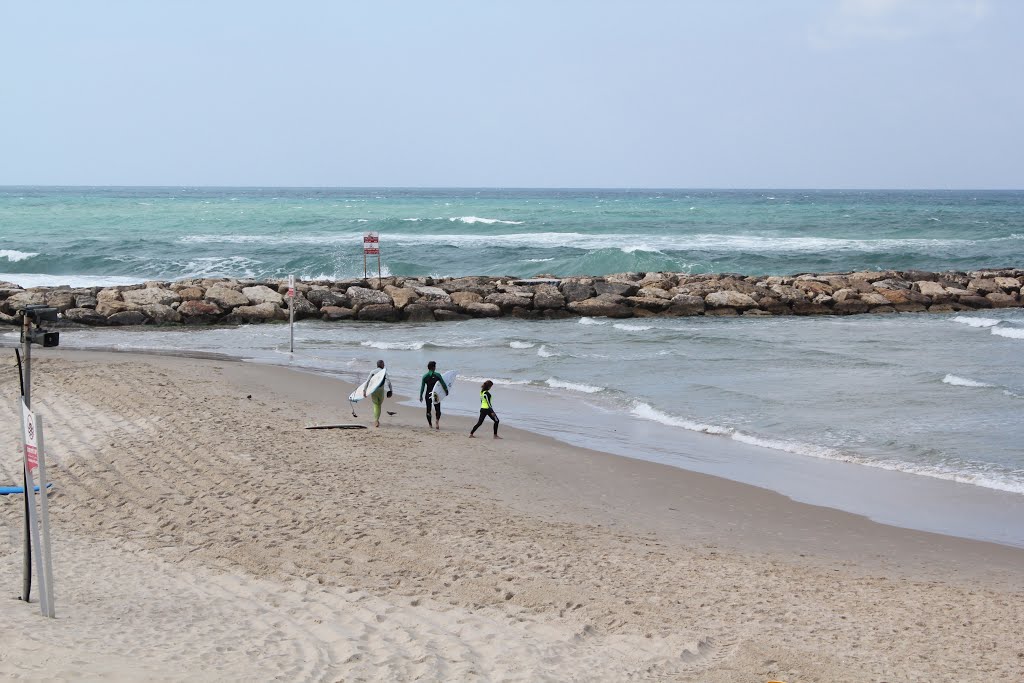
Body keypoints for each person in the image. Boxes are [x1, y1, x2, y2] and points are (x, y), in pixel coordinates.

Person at [418, 361, 449, 431]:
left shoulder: (425, 376)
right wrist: (446, 391)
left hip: (428, 394)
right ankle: (437, 421)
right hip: (435, 395)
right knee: (438, 409)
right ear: (433, 367)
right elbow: (443, 384)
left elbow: (422, 387)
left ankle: (430, 424)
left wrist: (420, 396)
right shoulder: (437, 375)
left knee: (428, 410)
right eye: (435, 366)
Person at [363, 359, 393, 428]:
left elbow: (367, 381)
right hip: (381, 391)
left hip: (374, 390)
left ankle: (376, 420)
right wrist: (391, 391)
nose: (384, 365)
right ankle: (377, 420)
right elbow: (389, 382)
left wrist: (364, 390)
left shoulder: (372, 372)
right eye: (383, 364)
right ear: (382, 365)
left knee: (376, 404)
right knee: (379, 405)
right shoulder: (384, 372)